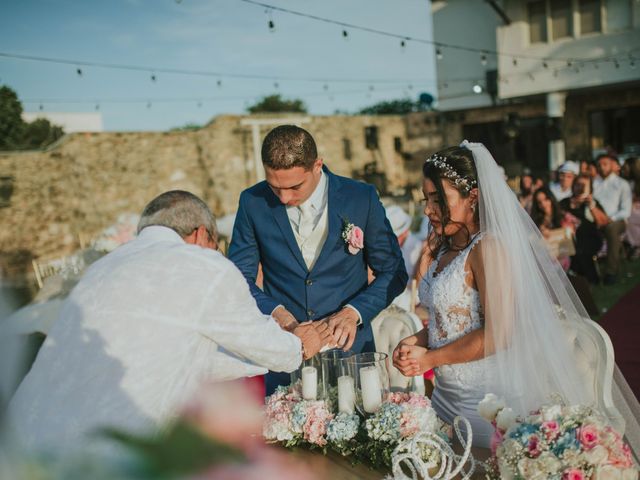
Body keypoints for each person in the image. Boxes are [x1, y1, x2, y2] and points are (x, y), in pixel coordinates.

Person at [7, 190, 331, 455]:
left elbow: (185, 357)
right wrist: (300, 344)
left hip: (20, 439)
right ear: (202, 234)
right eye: (216, 245)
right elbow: (272, 349)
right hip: (99, 455)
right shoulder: (202, 265)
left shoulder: (103, 268)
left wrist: (258, 362)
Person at [391, 142, 626, 449]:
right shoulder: (445, 248)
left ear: (472, 197)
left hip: (485, 404)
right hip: (444, 399)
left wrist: (430, 358)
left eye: (438, 199)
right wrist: (418, 341)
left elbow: (498, 333)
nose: (427, 210)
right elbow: (451, 320)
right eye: (426, 199)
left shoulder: (488, 249)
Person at [229, 125, 407, 394]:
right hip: (286, 355)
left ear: (317, 166)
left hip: (352, 356)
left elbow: (393, 271)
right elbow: (237, 280)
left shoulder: (360, 197)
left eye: (294, 186)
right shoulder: (252, 202)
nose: (284, 198)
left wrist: (353, 313)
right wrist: (280, 317)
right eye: (274, 187)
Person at [559, 174, 608, 284]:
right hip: (569, 239)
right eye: (577, 184)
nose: (579, 187)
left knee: (582, 249)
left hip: (591, 238)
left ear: (589, 187)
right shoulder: (564, 203)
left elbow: (603, 222)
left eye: (583, 185)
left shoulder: (592, 203)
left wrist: (591, 206)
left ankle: (587, 279)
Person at [593, 153, 633, 285]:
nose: (601, 167)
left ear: (612, 165)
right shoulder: (594, 182)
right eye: (599, 165)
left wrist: (611, 218)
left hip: (617, 220)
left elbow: (626, 210)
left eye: (605, 164)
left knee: (611, 229)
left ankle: (611, 271)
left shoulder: (622, 184)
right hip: (596, 218)